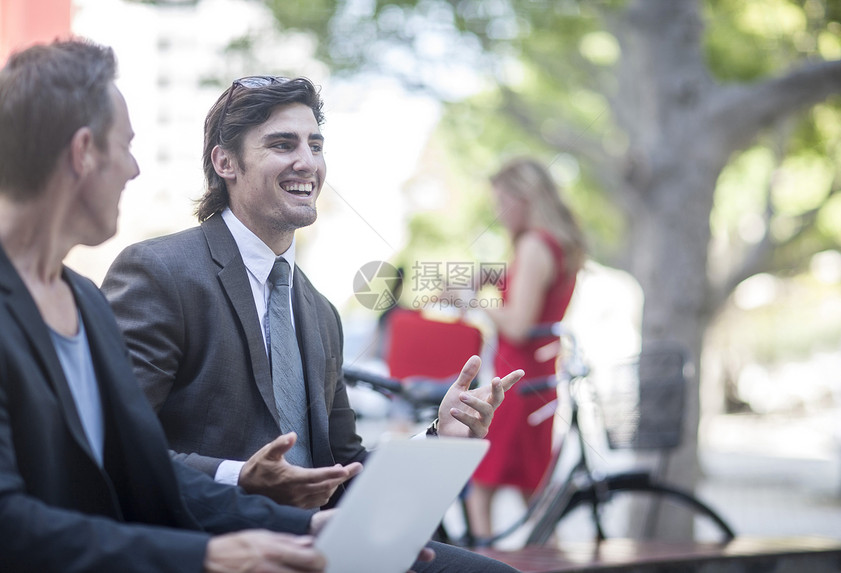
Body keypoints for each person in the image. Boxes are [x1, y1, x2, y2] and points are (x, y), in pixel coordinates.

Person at [102, 75, 524, 571]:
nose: (308, 162)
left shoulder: (319, 310)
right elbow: (115, 446)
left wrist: (438, 437)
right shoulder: (160, 272)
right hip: (215, 547)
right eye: (282, 144)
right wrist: (240, 476)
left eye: (315, 144)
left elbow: (342, 466)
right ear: (225, 162)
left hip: (325, 546)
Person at [0, 38, 330, 573]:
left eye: (315, 144)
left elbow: (146, 469)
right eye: (125, 146)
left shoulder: (82, 300)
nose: (133, 169)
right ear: (84, 151)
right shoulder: (152, 274)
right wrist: (204, 556)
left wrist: (304, 526)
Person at [465, 157, 587, 540]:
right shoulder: (555, 245)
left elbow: (518, 324)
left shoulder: (535, 245)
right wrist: (488, 276)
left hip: (514, 385)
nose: (498, 214)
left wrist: (472, 301)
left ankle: (483, 563)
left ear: (524, 198)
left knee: (479, 487)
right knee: (531, 494)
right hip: (537, 382)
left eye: (502, 202)